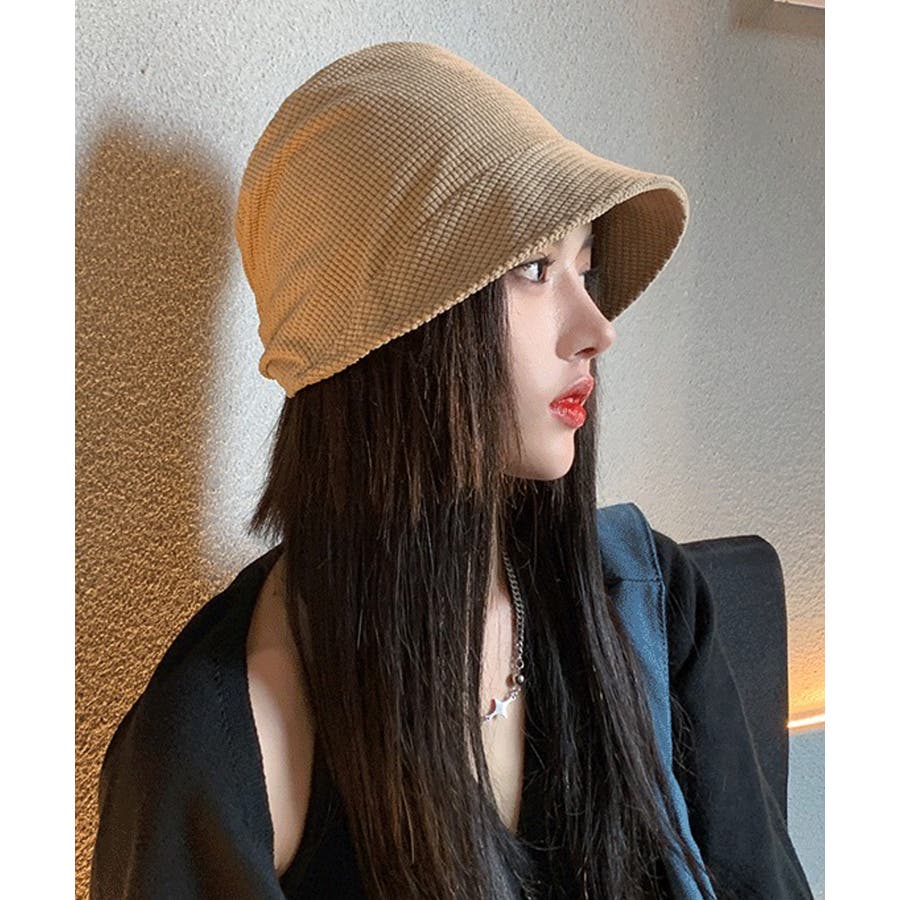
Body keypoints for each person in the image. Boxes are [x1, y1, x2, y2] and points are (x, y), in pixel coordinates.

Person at [89, 41, 813, 900]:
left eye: (586, 267)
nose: (598, 328)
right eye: (535, 269)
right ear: (389, 337)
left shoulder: (648, 605)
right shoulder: (222, 741)